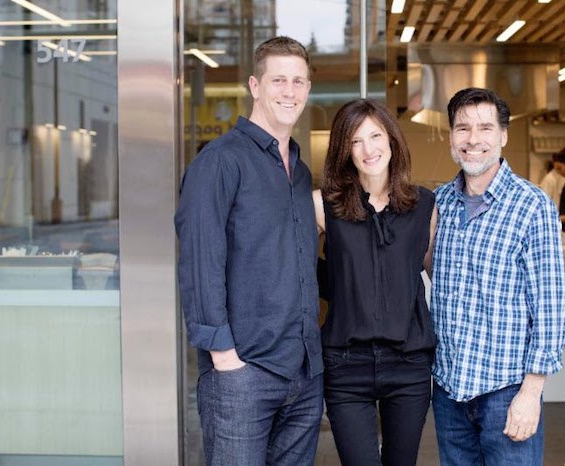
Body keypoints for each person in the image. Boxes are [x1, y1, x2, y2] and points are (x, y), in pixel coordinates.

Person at [174, 36, 323, 466]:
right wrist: (225, 358)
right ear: (255, 86)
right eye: (279, 80)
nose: (289, 91)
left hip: (302, 373)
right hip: (244, 375)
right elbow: (200, 260)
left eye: (298, 81)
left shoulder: (299, 171)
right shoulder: (220, 161)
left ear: (309, 89)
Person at [430, 87, 565, 465]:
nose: (473, 139)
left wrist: (531, 392)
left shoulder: (532, 206)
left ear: (503, 136)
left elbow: (551, 308)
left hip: (506, 394)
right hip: (449, 391)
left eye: (485, 128)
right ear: (450, 137)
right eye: (462, 128)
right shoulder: (440, 203)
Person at [313, 98, 437, 466]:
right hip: (345, 364)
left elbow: (438, 277)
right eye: (355, 141)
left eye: (375, 135)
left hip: (409, 363)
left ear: (392, 139)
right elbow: (296, 272)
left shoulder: (424, 206)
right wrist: (339, 285)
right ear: (343, 150)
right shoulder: (322, 206)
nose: (368, 149)